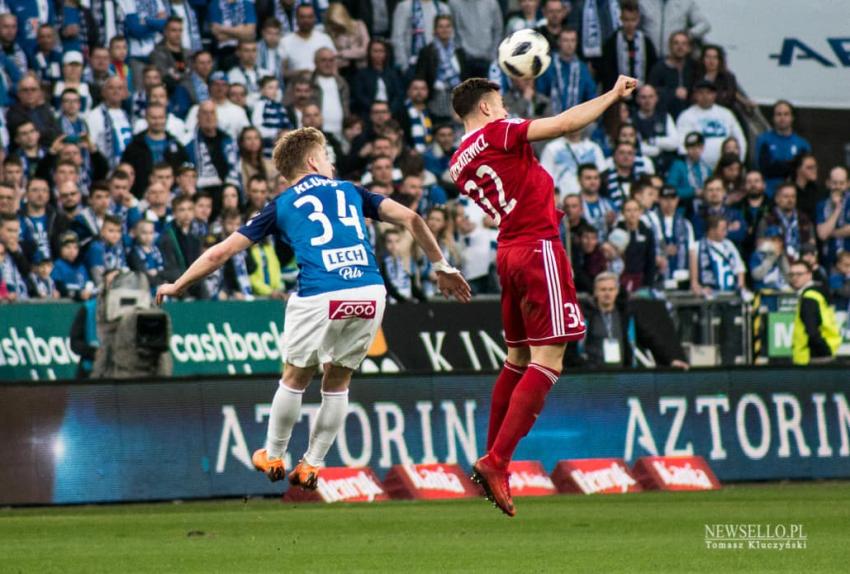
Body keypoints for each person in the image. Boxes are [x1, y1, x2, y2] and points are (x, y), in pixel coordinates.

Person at [155, 126, 469, 490]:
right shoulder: (353, 191)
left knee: (296, 375)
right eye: (327, 158)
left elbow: (220, 252)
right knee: (338, 380)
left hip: (322, 293)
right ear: (312, 160)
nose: (331, 165)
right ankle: (312, 465)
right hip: (370, 290)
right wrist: (442, 268)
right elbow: (412, 219)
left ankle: (273, 454)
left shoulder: (281, 205)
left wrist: (178, 284)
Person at [448, 73, 636, 516]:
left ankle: (491, 454)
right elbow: (566, 123)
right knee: (549, 360)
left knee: (516, 359)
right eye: (502, 103)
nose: (509, 110)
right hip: (538, 247)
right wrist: (611, 96)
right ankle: (496, 461)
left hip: (510, 252)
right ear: (487, 109)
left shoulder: (459, 159)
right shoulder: (500, 132)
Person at [121, 103, 189, 198]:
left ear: (166, 118)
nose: (157, 121)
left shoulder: (176, 145)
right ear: (146, 118)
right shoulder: (134, 146)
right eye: (154, 118)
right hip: (141, 196)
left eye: (161, 117)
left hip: (172, 198)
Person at [675, 80, 746, 169]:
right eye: (701, 93)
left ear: (714, 95)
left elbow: (740, 139)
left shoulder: (726, 114)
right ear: (695, 95)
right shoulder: (686, 116)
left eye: (709, 93)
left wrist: (739, 161)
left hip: (726, 167)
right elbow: (682, 143)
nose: (705, 96)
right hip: (699, 167)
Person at [414, 14, 467, 122]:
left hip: (456, 100)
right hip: (435, 101)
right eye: (441, 26)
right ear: (435, 29)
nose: (444, 29)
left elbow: (465, 77)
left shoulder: (459, 52)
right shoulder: (427, 51)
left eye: (447, 26)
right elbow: (421, 77)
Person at [789, 259, 840, 365]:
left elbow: (812, 331)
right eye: (792, 274)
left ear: (809, 275)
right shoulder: (817, 294)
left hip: (811, 357)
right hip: (824, 352)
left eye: (799, 274)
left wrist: (823, 351)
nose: (794, 278)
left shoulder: (809, 297)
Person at [755, 100, 811, 196]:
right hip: (768, 193)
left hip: (794, 195)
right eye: (779, 114)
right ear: (773, 118)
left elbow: (804, 173)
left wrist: (778, 166)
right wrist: (790, 165)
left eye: (786, 114)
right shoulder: (764, 140)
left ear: (792, 117)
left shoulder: (802, 144)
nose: (782, 118)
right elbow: (762, 168)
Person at [536, 28, 596, 116]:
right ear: (559, 42)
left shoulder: (582, 69)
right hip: (550, 119)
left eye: (573, 40)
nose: (569, 44)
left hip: (577, 120)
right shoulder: (548, 65)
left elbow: (591, 96)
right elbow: (540, 94)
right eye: (565, 40)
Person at [599, 0, 656, 91]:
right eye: (626, 20)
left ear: (638, 20)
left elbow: (652, 69)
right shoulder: (611, 43)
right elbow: (607, 72)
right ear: (621, 19)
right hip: (618, 92)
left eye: (633, 20)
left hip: (641, 92)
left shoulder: (646, 42)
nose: (630, 24)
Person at [757, 182, 816, 261]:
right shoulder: (767, 220)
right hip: (776, 262)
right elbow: (759, 245)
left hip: (801, 262)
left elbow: (812, 243)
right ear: (777, 199)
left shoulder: (804, 219)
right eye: (786, 196)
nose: (790, 200)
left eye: (793, 196)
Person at [391, 0, 451, 73]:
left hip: (439, 65)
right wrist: (404, 67)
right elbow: (397, 37)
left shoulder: (442, 8)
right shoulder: (405, 6)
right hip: (413, 66)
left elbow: (450, 36)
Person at [691, 216, 745, 296]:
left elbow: (739, 269)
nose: (726, 232)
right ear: (712, 230)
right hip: (710, 293)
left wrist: (740, 286)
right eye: (723, 229)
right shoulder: (697, 246)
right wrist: (700, 289)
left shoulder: (729, 245)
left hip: (731, 292)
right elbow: (694, 281)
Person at [87, 77, 133, 168]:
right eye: (111, 88)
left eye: (120, 88)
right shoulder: (94, 116)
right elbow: (91, 145)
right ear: (103, 92)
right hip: (104, 167)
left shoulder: (128, 116)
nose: (116, 91)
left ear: (125, 93)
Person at [448, 0, 502, 78]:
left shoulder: (491, 2)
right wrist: (460, 54)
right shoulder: (454, 3)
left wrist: (492, 54)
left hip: (487, 59)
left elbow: (498, 29)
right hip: (464, 60)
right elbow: (452, 30)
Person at [632, 84, 678, 174]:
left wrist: (652, 141)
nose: (647, 100)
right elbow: (638, 147)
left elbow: (675, 143)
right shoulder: (632, 120)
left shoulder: (665, 117)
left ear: (656, 98)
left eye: (651, 97)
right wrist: (659, 148)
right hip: (644, 166)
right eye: (643, 97)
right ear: (637, 99)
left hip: (667, 165)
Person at [352, 38, 405, 115]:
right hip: (368, 112)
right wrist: (375, 109)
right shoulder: (361, 74)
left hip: (390, 112)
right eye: (375, 51)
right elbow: (359, 96)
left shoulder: (393, 74)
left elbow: (399, 95)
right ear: (369, 53)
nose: (378, 54)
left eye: (381, 51)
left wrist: (389, 110)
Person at [281, 4, 335, 79]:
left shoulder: (325, 39)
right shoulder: (285, 41)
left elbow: (334, 66)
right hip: (297, 86)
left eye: (310, 17)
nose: (306, 20)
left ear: (315, 19)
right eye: (302, 17)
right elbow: (282, 72)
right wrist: (300, 73)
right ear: (296, 19)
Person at [657, 184, 695, 289]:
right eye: (665, 199)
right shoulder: (652, 221)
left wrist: (694, 281)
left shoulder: (686, 224)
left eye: (672, 199)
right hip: (658, 277)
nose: (669, 203)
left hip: (681, 276)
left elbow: (692, 253)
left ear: (677, 200)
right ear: (659, 199)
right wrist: (663, 251)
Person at [816, 166, 850, 271]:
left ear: (848, 184)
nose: (838, 187)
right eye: (834, 183)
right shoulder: (822, 205)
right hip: (830, 260)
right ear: (828, 183)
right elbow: (822, 235)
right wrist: (837, 209)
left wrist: (831, 233)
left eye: (841, 183)